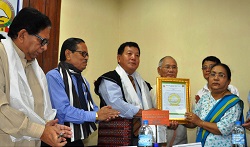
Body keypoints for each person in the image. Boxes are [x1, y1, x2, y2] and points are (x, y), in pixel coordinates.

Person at [0, 7, 72, 147]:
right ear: (22, 35)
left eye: (47, 43)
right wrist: (40, 131)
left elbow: (35, 113)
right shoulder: (2, 56)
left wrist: (48, 127)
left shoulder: (35, 68)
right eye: (42, 41)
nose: (45, 48)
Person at [46, 38, 120, 146]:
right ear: (68, 54)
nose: (86, 58)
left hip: (77, 139)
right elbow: (62, 111)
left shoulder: (83, 81)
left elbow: (90, 108)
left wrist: (104, 114)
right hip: (58, 139)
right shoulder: (54, 76)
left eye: (87, 55)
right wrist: (96, 115)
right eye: (83, 54)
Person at [94, 41, 154, 145]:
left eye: (137, 55)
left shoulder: (143, 84)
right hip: (116, 137)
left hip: (143, 136)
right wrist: (146, 114)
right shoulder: (109, 79)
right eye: (129, 54)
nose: (133, 57)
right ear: (119, 58)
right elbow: (116, 104)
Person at [185, 63, 245, 147]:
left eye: (221, 75)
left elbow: (223, 129)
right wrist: (179, 119)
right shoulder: (204, 99)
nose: (216, 78)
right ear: (208, 78)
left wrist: (199, 122)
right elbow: (193, 122)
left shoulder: (233, 103)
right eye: (212, 74)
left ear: (228, 81)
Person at [150, 56, 187, 146]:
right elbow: (148, 117)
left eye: (174, 67)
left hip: (180, 142)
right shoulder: (152, 91)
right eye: (167, 67)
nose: (171, 70)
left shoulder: (184, 90)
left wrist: (185, 120)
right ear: (159, 70)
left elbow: (191, 119)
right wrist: (164, 121)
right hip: (159, 142)